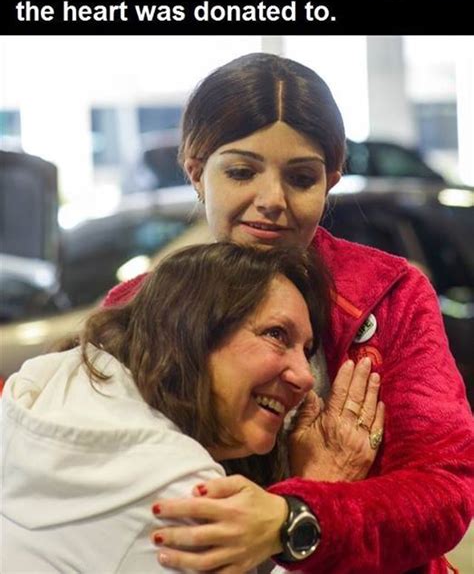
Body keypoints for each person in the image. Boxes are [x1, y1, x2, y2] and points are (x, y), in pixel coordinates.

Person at [105, 53, 474, 573]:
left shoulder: (390, 296)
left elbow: (444, 492)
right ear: (195, 172)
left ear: (331, 182)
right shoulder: (133, 307)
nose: (271, 199)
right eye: (240, 171)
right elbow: (105, 479)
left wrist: (296, 517)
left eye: (301, 178)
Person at [1, 242, 382, 573]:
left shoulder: (49, 384)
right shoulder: (184, 493)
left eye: (308, 351)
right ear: (192, 329)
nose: (305, 377)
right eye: (276, 334)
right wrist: (316, 501)